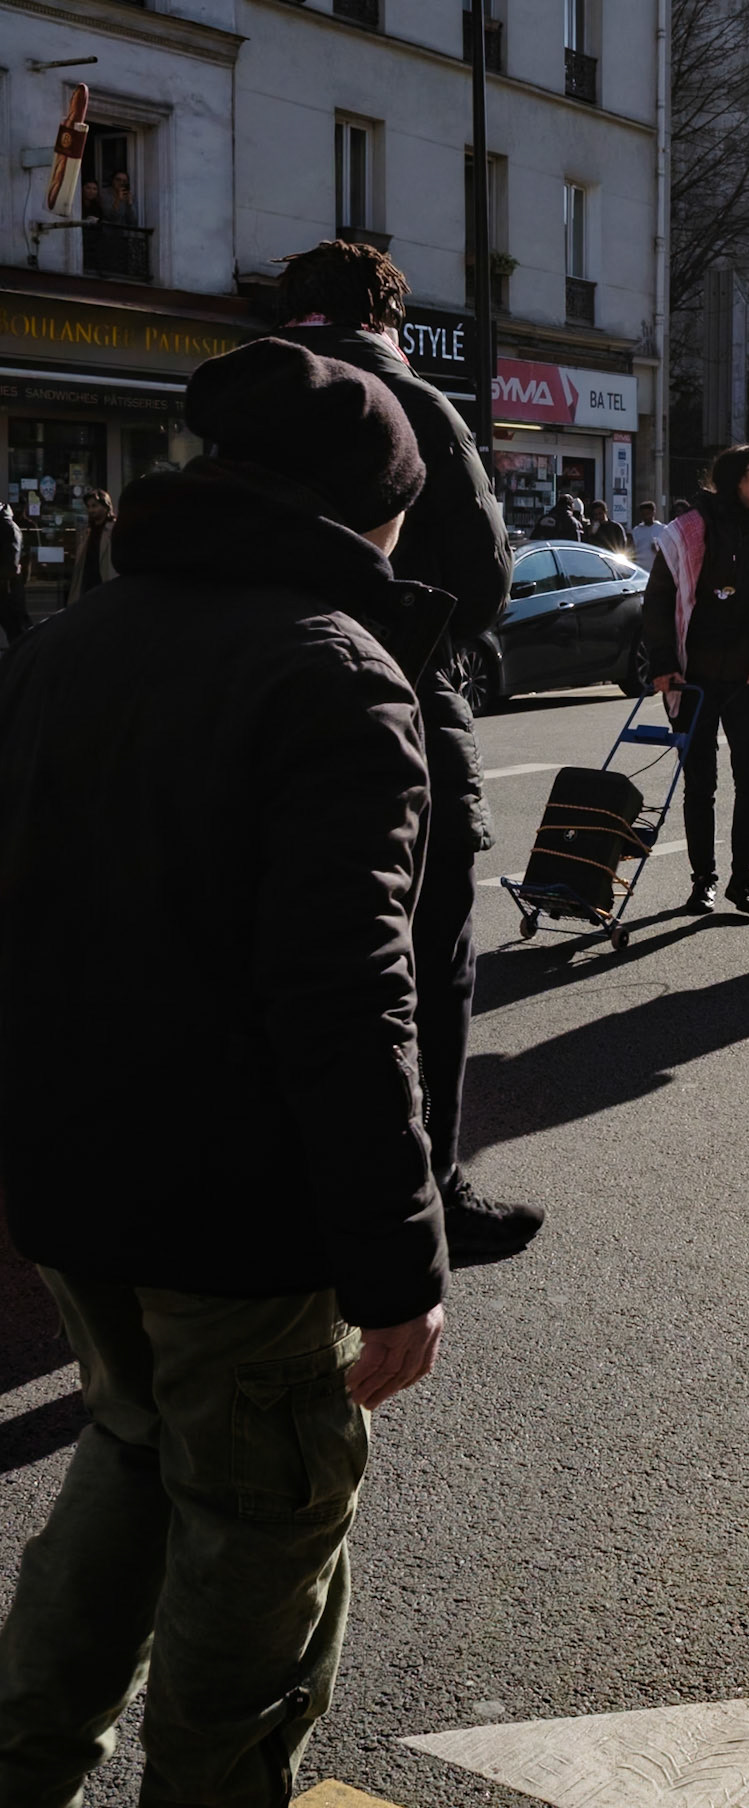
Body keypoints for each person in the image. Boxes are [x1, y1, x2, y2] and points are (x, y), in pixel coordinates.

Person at [0, 339, 448, 1805]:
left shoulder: (71, 640)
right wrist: (397, 1258)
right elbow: (343, 993)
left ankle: (28, 1761)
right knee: (260, 1526)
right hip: (239, 1207)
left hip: (74, 1176)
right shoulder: (333, 670)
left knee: (127, 1454)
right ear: (365, 509)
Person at [275, 238, 539, 1266]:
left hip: (256, 699)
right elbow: (482, 582)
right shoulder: (414, 403)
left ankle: (296, 1177)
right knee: (429, 959)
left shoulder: (253, 403)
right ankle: (425, 1192)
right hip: (397, 701)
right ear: (388, 313)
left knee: (292, 944)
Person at [644, 443, 749, 919]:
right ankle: (703, 882)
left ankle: (744, 878)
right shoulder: (689, 531)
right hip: (693, 679)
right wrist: (662, 664)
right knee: (700, 784)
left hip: (748, 680)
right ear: (738, 478)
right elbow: (657, 603)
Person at [67, 488, 117, 604]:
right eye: (88, 507)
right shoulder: (87, 531)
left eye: (94, 506)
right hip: (88, 584)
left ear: (105, 507)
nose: (91, 510)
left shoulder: (113, 529)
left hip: (106, 583)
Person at [0, 500, 29, 645]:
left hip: (7, 590)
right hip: (6, 588)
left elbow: (11, 565)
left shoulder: (8, 526)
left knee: (17, 633)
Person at [632, 500, 663, 567]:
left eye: (648, 514)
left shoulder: (663, 529)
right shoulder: (636, 530)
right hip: (641, 568)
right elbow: (632, 550)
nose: (646, 517)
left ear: (653, 513)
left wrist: (658, 550)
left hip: (658, 568)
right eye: (643, 514)